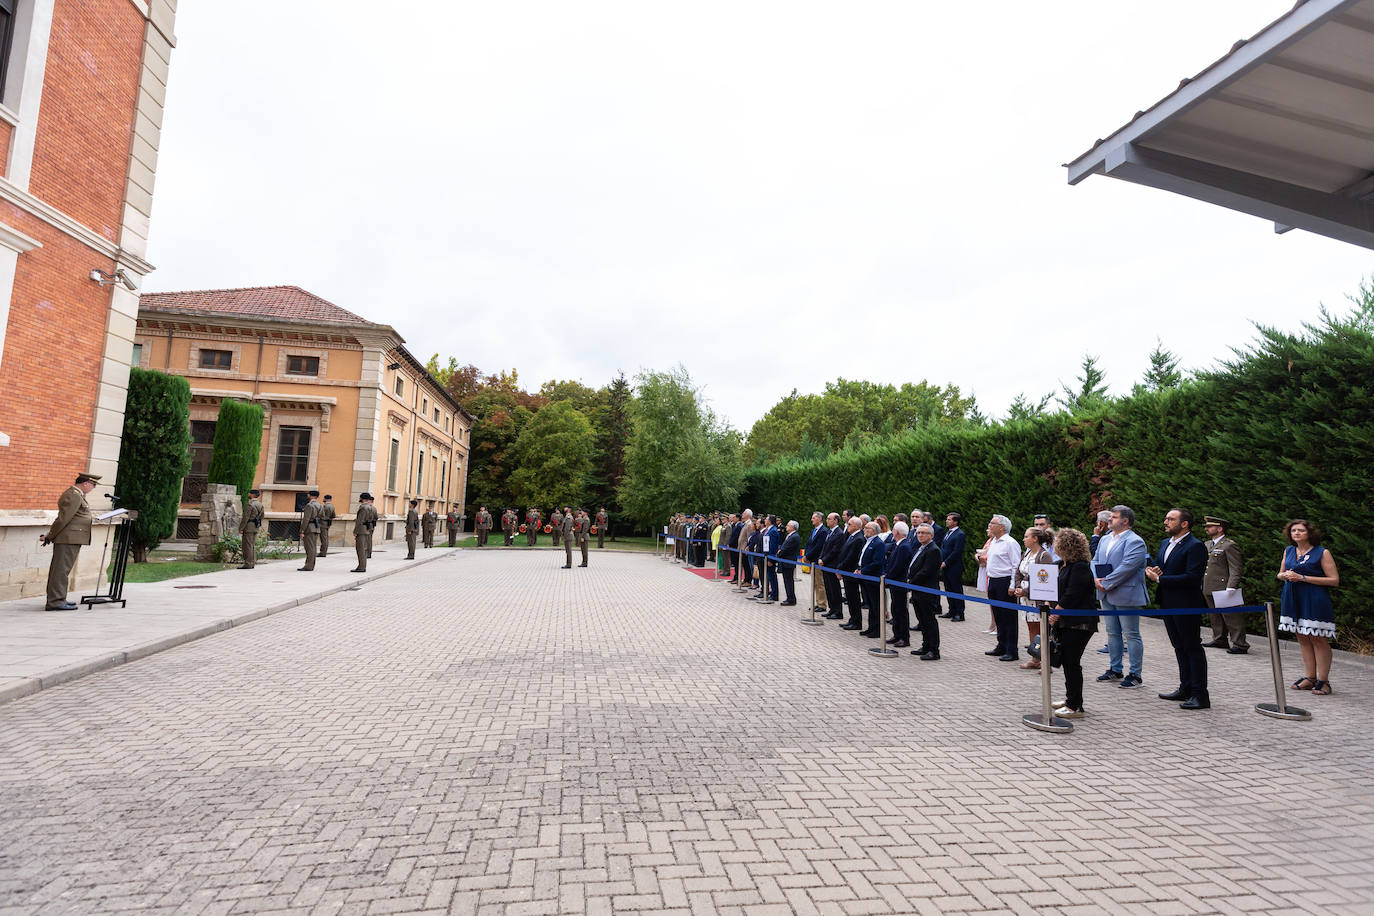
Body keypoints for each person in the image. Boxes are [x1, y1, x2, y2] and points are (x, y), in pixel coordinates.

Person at [1147, 507, 1210, 710]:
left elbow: (1192, 577)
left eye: (1171, 519)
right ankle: (1186, 688)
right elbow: (1169, 569)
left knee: (1192, 647)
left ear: (1184, 524)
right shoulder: (1166, 543)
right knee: (1179, 646)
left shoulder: (1195, 546)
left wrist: (1161, 579)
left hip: (1186, 604)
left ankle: (1200, 694)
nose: (1166, 522)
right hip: (1168, 602)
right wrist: (1156, 571)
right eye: (1166, 518)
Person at [1278, 519, 1339, 695]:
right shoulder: (1289, 550)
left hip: (1314, 598)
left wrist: (1303, 578)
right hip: (1292, 597)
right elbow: (1280, 573)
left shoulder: (1322, 552)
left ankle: (1323, 680)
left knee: (1318, 638)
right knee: (1302, 637)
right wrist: (1285, 575)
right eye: (1293, 531)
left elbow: (1334, 580)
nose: (1296, 533)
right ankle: (1310, 677)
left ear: (1309, 533)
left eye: (1300, 531)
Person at [1093, 505, 1149, 689]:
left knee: (1131, 634)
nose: (1109, 520)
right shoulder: (1104, 539)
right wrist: (1095, 579)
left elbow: (1128, 567)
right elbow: (1094, 560)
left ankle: (1135, 674)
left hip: (1126, 593)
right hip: (1105, 592)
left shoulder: (1135, 541)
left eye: (1113, 518)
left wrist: (1106, 583)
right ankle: (1115, 669)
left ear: (1125, 521)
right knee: (1112, 632)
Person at [1048, 528, 1099, 719]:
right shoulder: (1061, 564)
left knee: (1072, 662)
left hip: (1080, 622)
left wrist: (1056, 612)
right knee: (1068, 661)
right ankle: (1071, 698)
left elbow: (1073, 594)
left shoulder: (1080, 567)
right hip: (1065, 620)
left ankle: (1075, 705)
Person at [40, 472, 99, 610]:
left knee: (62, 570)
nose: (93, 488)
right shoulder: (73, 495)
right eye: (93, 485)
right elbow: (63, 519)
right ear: (86, 483)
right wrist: (50, 536)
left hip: (71, 538)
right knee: (60, 571)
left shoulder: (77, 495)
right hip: (67, 538)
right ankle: (55, 602)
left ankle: (60, 598)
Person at [1201, 516, 1247, 653]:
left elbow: (1235, 568)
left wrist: (1232, 585)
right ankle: (1219, 639)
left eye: (1210, 526)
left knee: (1232, 617)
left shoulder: (1229, 545)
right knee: (1214, 615)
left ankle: (1240, 644)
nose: (1206, 528)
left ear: (1219, 528)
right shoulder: (1207, 544)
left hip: (1224, 586)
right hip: (1209, 585)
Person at [1012, 527, 1055, 670]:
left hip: (1038, 597)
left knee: (1042, 629)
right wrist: (1018, 587)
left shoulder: (1045, 556)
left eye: (1026, 536)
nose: (1023, 539)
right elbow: (1018, 572)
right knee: (1031, 627)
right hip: (1025, 597)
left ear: (1035, 539)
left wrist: (1025, 591)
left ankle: (1046, 662)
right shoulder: (1027, 553)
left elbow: (1044, 580)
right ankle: (1035, 659)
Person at [982, 515, 1022, 661]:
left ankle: (1012, 650)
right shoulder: (993, 541)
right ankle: (1001, 645)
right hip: (993, 580)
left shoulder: (1010, 543)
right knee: (998, 615)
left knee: (1009, 617)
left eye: (992, 523)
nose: (990, 525)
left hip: (1005, 582)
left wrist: (1012, 585)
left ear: (1002, 527)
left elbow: (1015, 565)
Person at [907, 523, 942, 660]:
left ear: (931, 535)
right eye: (919, 533)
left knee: (929, 621)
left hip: (926, 591)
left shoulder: (933, 550)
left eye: (924, 533)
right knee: (922, 620)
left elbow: (926, 571)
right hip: (917, 591)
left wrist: (911, 581)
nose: (920, 535)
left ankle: (934, 650)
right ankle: (926, 645)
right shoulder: (920, 548)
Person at [882, 521, 914, 646]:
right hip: (895, 582)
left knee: (901, 611)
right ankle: (897, 634)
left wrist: (888, 577)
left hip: (899, 583)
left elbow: (898, 566)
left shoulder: (904, 546)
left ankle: (904, 637)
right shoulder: (899, 545)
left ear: (896, 532)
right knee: (895, 609)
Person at [857, 521, 887, 638]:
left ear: (873, 530)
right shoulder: (868, 541)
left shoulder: (878, 543)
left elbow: (877, 562)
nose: (864, 530)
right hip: (864, 576)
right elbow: (862, 557)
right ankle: (871, 628)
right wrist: (858, 568)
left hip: (872, 577)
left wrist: (863, 570)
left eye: (867, 528)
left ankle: (877, 630)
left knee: (876, 605)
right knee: (870, 604)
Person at [837, 517, 866, 630]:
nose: (847, 526)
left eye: (849, 524)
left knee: (853, 598)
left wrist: (840, 568)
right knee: (850, 597)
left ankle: (856, 622)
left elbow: (851, 557)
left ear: (856, 526)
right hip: (846, 571)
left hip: (850, 572)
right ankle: (852, 619)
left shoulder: (858, 538)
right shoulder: (852, 536)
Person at [819, 513, 847, 619]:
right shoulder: (830, 532)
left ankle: (838, 611)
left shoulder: (839, 533)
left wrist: (824, 559)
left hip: (832, 564)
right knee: (828, 588)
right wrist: (821, 557)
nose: (827, 521)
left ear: (835, 520)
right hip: (826, 564)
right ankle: (832, 609)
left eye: (829, 519)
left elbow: (835, 550)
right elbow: (825, 547)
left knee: (834, 589)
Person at [940, 512, 966, 621]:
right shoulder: (948, 533)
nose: (947, 521)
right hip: (945, 566)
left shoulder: (960, 534)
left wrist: (946, 562)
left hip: (954, 567)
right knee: (948, 589)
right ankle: (952, 610)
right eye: (947, 519)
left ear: (955, 522)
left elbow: (957, 551)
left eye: (949, 519)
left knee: (956, 589)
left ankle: (960, 613)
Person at [805, 512, 830, 613]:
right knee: (815, 583)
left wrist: (808, 556)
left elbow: (818, 547)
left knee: (820, 583)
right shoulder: (814, 530)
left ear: (819, 519)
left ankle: (822, 604)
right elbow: (808, 543)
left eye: (814, 518)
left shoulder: (823, 531)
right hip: (812, 560)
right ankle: (818, 602)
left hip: (817, 560)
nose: (812, 520)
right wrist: (806, 555)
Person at [239, 488, 264, 569]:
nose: (248, 494)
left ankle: (248, 563)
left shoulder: (250, 504)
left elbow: (245, 517)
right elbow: (262, 516)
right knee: (252, 545)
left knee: (247, 546)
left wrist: (241, 528)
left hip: (249, 527)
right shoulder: (260, 504)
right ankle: (252, 562)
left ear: (252, 495)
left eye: (249, 493)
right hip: (255, 527)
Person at [351, 494, 377, 572]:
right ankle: (362, 565)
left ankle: (361, 566)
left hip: (361, 529)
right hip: (367, 529)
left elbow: (359, 521)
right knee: (364, 548)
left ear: (362, 498)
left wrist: (355, 531)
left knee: (360, 549)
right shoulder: (370, 507)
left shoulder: (363, 507)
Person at [777, 520, 802, 605]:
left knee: (789, 581)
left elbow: (786, 548)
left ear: (793, 527)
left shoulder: (794, 537)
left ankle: (791, 599)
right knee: (787, 580)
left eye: (788, 525)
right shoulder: (790, 535)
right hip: (786, 561)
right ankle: (789, 597)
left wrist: (779, 553)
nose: (786, 527)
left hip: (788, 561)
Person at [299, 490, 323, 571]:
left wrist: (302, 530)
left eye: (308, 494)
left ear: (311, 495)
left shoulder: (309, 505)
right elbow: (322, 516)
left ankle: (308, 566)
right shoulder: (320, 505)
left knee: (309, 548)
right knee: (313, 547)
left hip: (309, 528)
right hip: (316, 527)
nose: (307, 495)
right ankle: (311, 565)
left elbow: (306, 519)